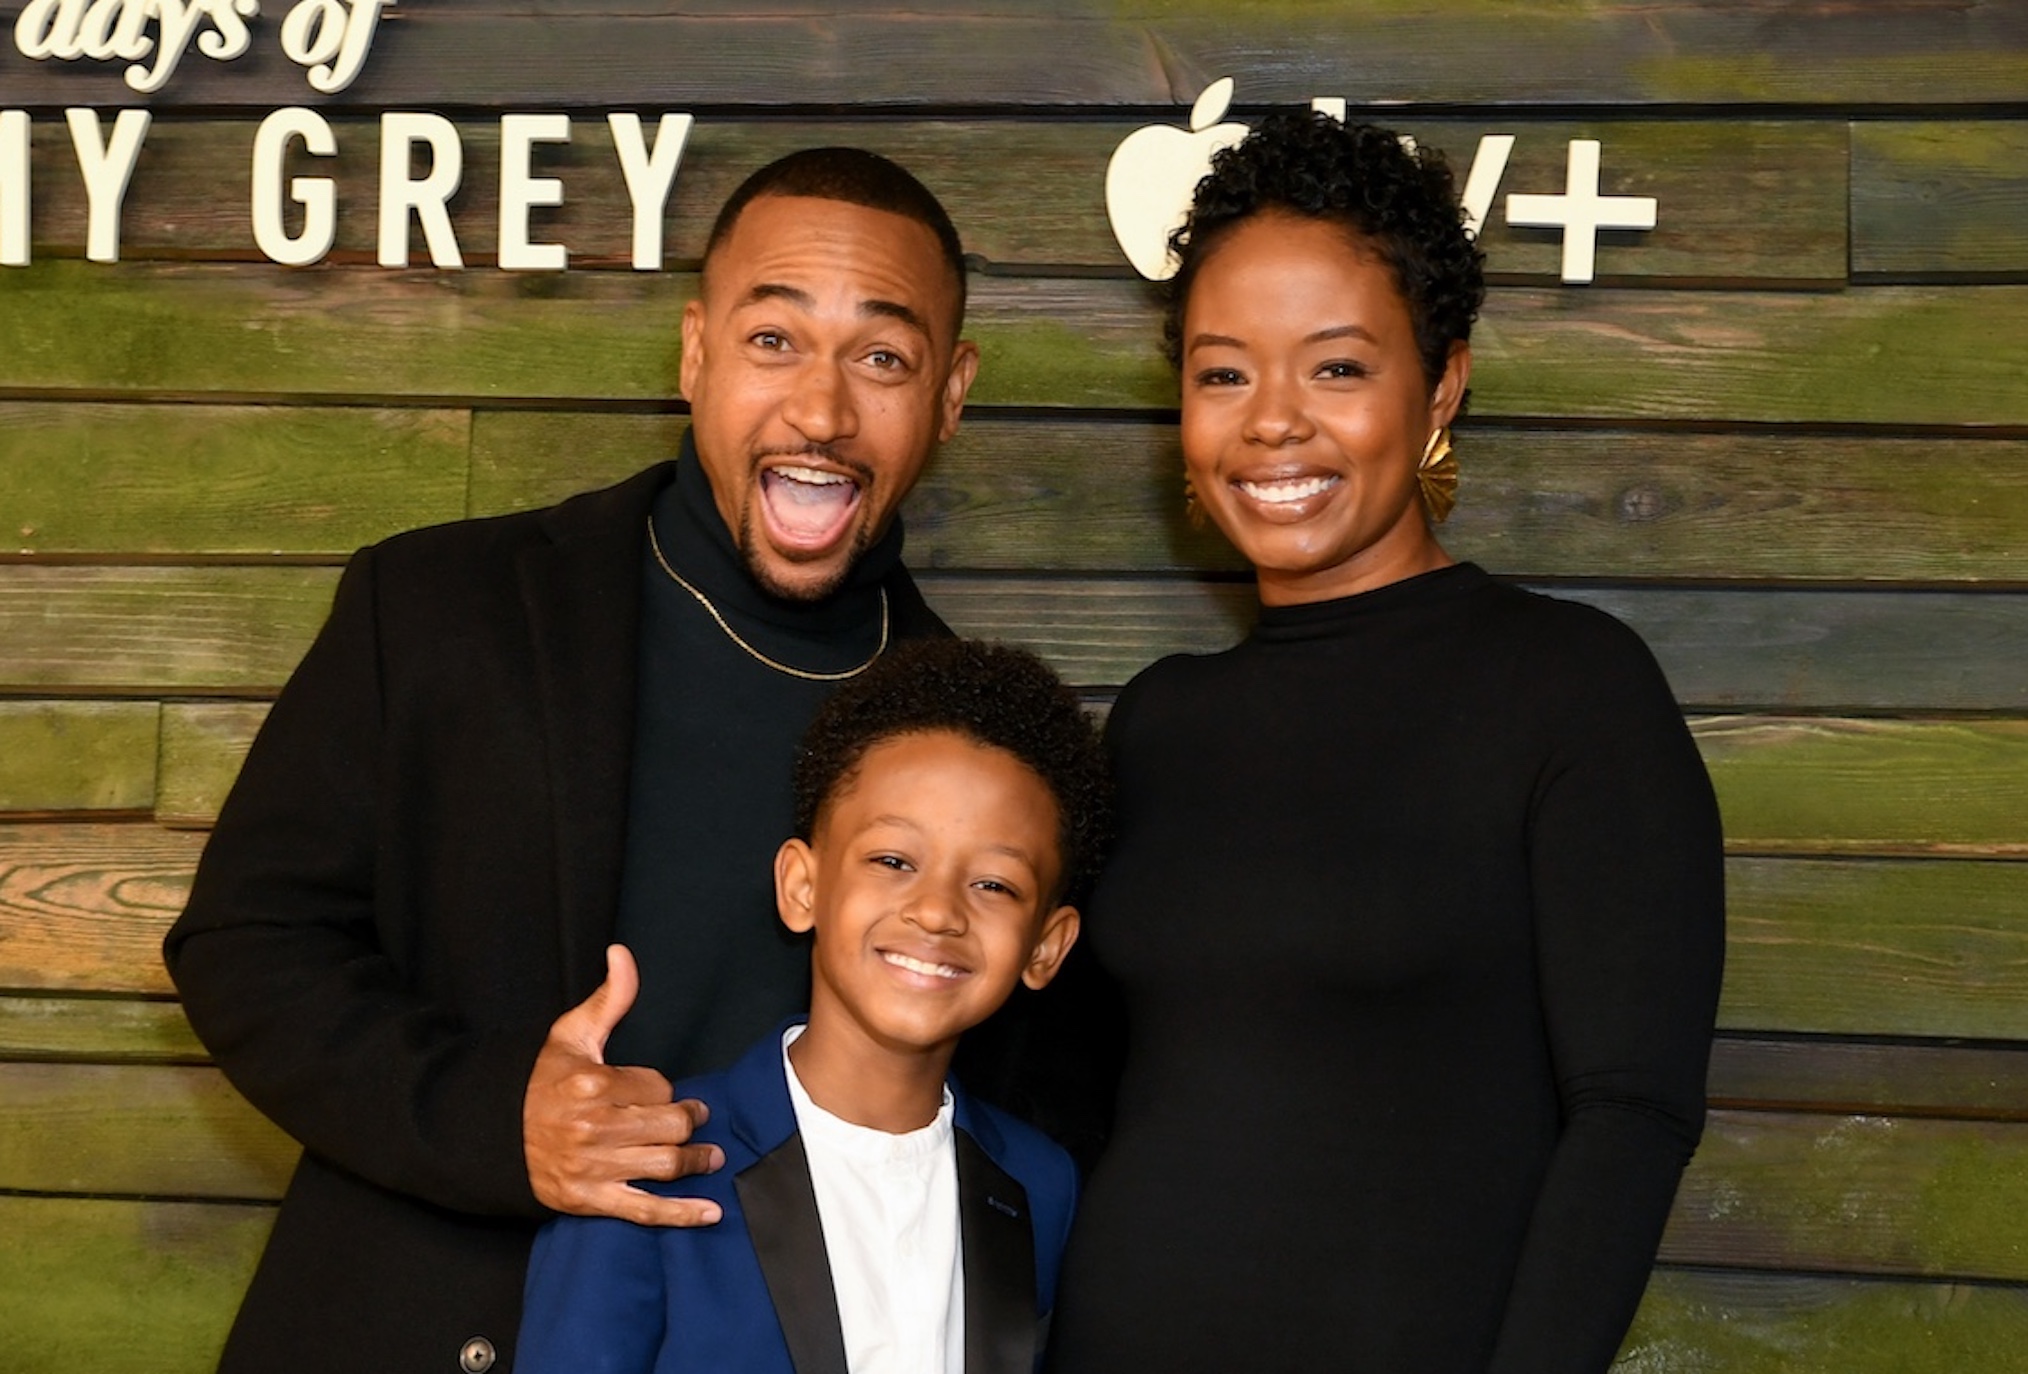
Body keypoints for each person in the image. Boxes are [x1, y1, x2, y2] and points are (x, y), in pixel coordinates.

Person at [163, 148, 987, 1374]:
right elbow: (245, 946)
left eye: (883, 357)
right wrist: (505, 1119)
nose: (821, 410)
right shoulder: (441, 605)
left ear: (952, 391)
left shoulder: (979, 749)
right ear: (696, 352)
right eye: (774, 341)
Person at [1045, 112, 1726, 1373]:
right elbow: (1081, 1104)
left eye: (1338, 368)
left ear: (1443, 384)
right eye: (1223, 371)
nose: (1272, 423)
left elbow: (1632, 1116)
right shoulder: (1158, 720)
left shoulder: (1570, 690)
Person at [517, 638, 1108, 1374]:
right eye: (893, 861)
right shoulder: (642, 1156)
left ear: (1046, 947)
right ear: (802, 887)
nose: (936, 912)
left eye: (995, 884)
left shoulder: (1040, 1184)